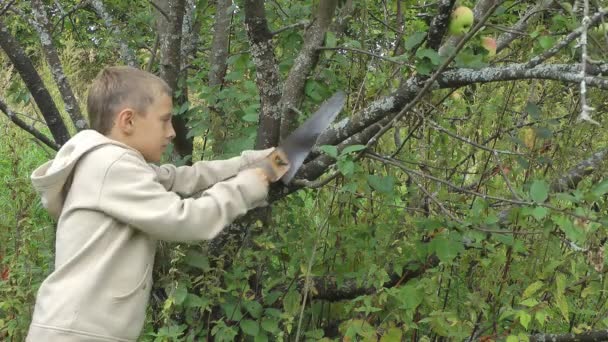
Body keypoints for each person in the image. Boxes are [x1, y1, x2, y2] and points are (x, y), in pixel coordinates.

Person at [26, 66, 287, 341]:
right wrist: (253, 183)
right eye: (164, 121)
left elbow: (184, 177)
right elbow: (185, 220)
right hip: (77, 334)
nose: (172, 132)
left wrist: (250, 162)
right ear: (127, 121)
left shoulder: (113, 163)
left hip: (76, 330)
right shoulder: (111, 166)